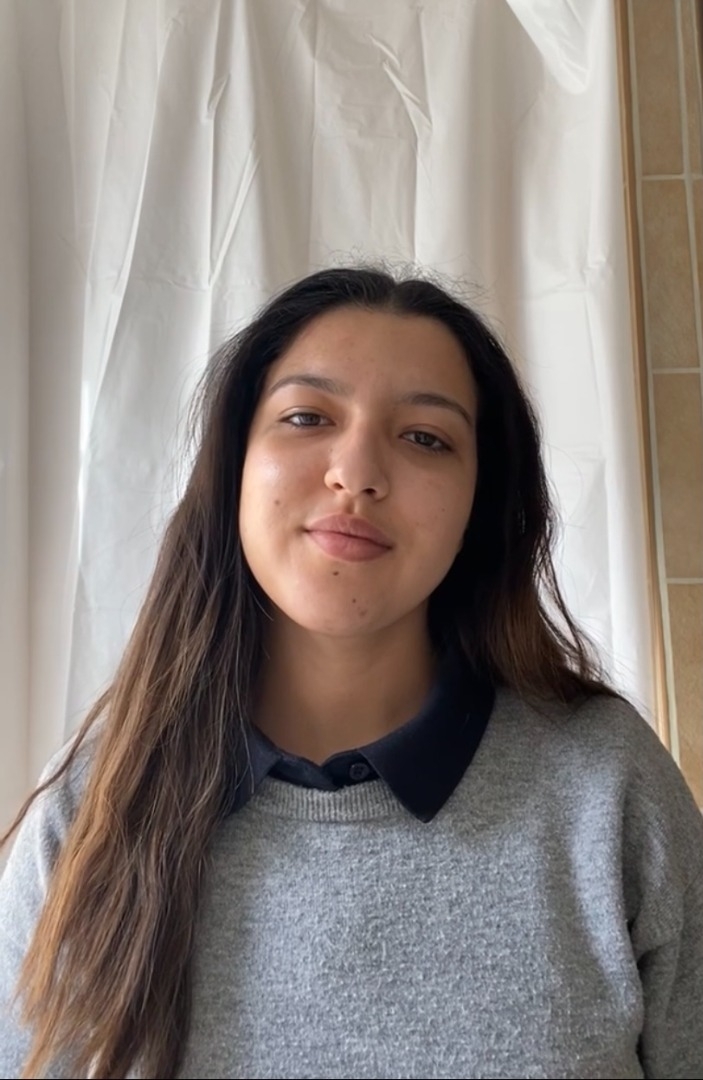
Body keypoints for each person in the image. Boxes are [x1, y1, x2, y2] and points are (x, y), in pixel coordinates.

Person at [1, 267, 702, 1080]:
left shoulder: (607, 789)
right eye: (306, 417)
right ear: (234, 466)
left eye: (425, 437)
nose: (356, 472)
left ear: (479, 504)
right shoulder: (91, 809)